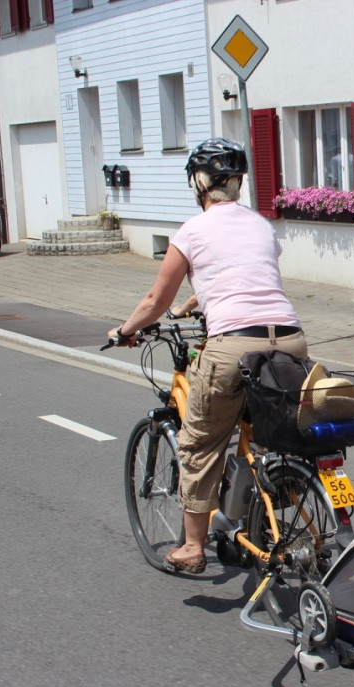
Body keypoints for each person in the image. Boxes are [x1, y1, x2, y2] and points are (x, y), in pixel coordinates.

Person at [108, 138, 308, 574]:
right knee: (263, 434)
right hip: (291, 340)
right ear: (237, 183)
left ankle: (193, 547)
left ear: (199, 183)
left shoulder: (192, 231)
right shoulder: (259, 225)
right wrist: (193, 303)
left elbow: (154, 300)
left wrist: (125, 330)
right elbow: (241, 271)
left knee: (199, 444)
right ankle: (264, 505)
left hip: (233, 345)